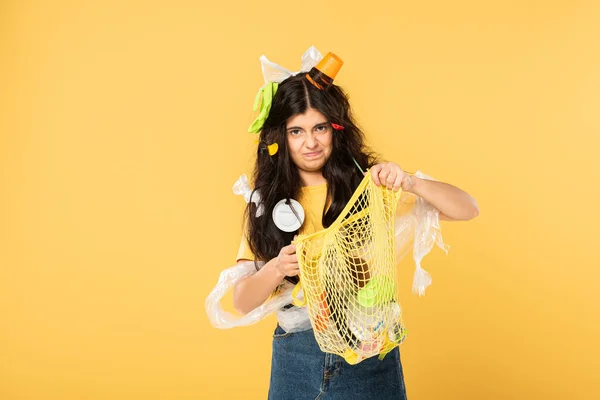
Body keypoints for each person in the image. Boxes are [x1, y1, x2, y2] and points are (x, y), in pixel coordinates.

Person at [232, 48, 479, 400]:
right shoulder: (268, 204)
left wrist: (409, 181)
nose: (311, 142)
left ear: (337, 129)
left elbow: (467, 209)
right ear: (280, 138)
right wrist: (276, 268)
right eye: (296, 131)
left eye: (319, 127)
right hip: (296, 358)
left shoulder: (369, 186)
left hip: (368, 348)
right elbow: (241, 302)